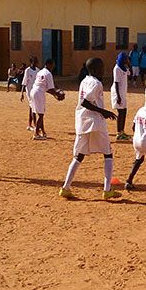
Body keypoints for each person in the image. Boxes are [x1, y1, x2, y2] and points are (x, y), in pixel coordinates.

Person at [58, 57, 122, 200]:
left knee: (79, 156)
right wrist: (104, 112)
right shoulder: (96, 83)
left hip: (82, 122)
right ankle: (107, 190)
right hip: (95, 122)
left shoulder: (84, 81)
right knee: (108, 154)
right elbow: (85, 102)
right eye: (101, 68)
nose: (103, 70)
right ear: (93, 70)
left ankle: (65, 188)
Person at [30, 58, 65, 140]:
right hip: (38, 93)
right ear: (49, 64)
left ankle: (43, 132)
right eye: (53, 65)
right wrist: (57, 95)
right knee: (41, 114)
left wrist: (55, 94)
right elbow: (51, 89)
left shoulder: (40, 71)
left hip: (34, 91)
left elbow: (47, 88)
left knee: (39, 113)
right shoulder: (48, 73)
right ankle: (36, 134)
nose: (53, 67)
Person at [111, 52, 132, 140]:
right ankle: (119, 133)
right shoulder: (117, 68)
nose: (127, 60)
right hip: (118, 93)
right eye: (126, 59)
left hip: (123, 93)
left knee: (124, 111)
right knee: (120, 112)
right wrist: (118, 97)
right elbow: (116, 83)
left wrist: (129, 65)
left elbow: (130, 75)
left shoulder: (124, 68)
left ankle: (122, 131)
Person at [21, 57, 39, 131]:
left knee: (31, 108)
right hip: (29, 92)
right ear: (31, 62)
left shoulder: (38, 70)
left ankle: (29, 124)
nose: (35, 63)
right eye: (34, 62)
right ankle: (35, 125)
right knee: (33, 107)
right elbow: (24, 83)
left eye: (36, 62)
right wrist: (22, 93)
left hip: (35, 91)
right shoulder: (27, 70)